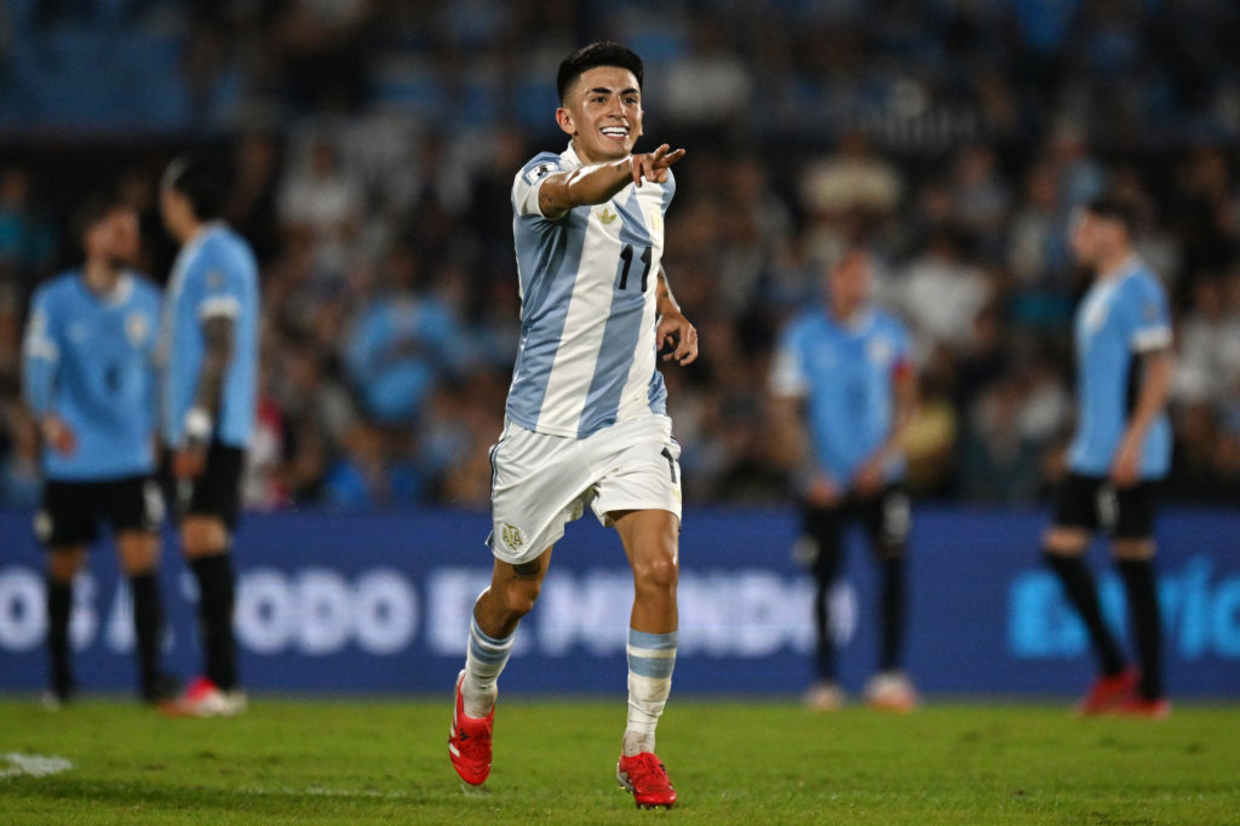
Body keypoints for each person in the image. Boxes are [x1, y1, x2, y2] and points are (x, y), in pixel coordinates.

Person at [446, 42, 697, 810]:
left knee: (659, 569)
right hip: (544, 429)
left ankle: (640, 749)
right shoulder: (536, 177)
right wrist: (625, 172)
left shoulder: (657, 183)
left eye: (630, 97)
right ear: (567, 118)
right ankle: (476, 692)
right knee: (515, 595)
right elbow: (569, 196)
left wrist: (670, 308)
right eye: (600, 98)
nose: (618, 109)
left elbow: (643, 254)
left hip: (631, 416)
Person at [21, 198, 175, 707]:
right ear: (92, 238)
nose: (130, 240)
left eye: (133, 232)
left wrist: (162, 429)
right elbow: (37, 364)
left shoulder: (150, 301)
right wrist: (47, 419)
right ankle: (60, 679)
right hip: (75, 455)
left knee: (142, 561)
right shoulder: (56, 300)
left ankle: (150, 679)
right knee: (65, 563)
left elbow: (164, 374)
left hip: (130, 454)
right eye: (118, 231)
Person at [1042, 196, 1175, 718]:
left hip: (1125, 454)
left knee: (1132, 562)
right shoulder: (1102, 289)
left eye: (1084, 228)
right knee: (1063, 553)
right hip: (1095, 451)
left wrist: (1133, 441)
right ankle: (1119, 671)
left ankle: (1149, 693)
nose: (1076, 238)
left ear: (1114, 231)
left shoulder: (1140, 289)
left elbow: (1159, 370)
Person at [770, 247, 919, 713]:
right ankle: (825, 681)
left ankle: (889, 676)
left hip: (881, 478)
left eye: (862, 276)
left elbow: (908, 404)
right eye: (848, 275)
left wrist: (882, 461)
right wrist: (810, 472)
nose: (857, 284)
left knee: (892, 570)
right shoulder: (803, 336)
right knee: (823, 579)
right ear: (830, 280)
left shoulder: (890, 334)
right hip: (825, 482)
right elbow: (784, 410)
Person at [158, 156, 260, 717]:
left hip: (214, 425)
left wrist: (195, 428)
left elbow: (220, 346)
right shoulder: (208, 252)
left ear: (178, 199)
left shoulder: (216, 254)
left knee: (203, 536)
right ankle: (221, 680)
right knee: (202, 538)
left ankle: (222, 682)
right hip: (211, 424)